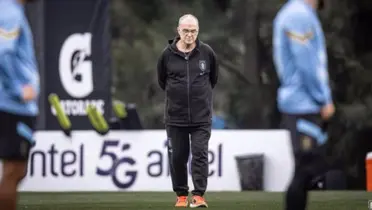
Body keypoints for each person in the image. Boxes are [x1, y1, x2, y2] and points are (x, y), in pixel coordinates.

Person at [272, 0, 334, 210]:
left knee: (309, 167)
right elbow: (306, 63)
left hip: (302, 103)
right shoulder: (298, 15)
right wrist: (323, 98)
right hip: (303, 104)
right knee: (308, 167)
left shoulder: (296, 13)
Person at [157, 14, 218, 208]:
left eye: (193, 31)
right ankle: (181, 195)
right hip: (175, 118)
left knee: (200, 154)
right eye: (186, 31)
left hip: (201, 117)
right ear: (178, 31)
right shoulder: (166, 55)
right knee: (177, 157)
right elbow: (162, 81)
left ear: (197, 31)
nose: (189, 35)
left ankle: (199, 195)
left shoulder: (207, 53)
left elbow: (213, 79)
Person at [0, 0, 40, 209]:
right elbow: (2, 52)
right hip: (12, 105)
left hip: (9, 105)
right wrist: (17, 89)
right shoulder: (9, 12)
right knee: (14, 169)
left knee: (16, 170)